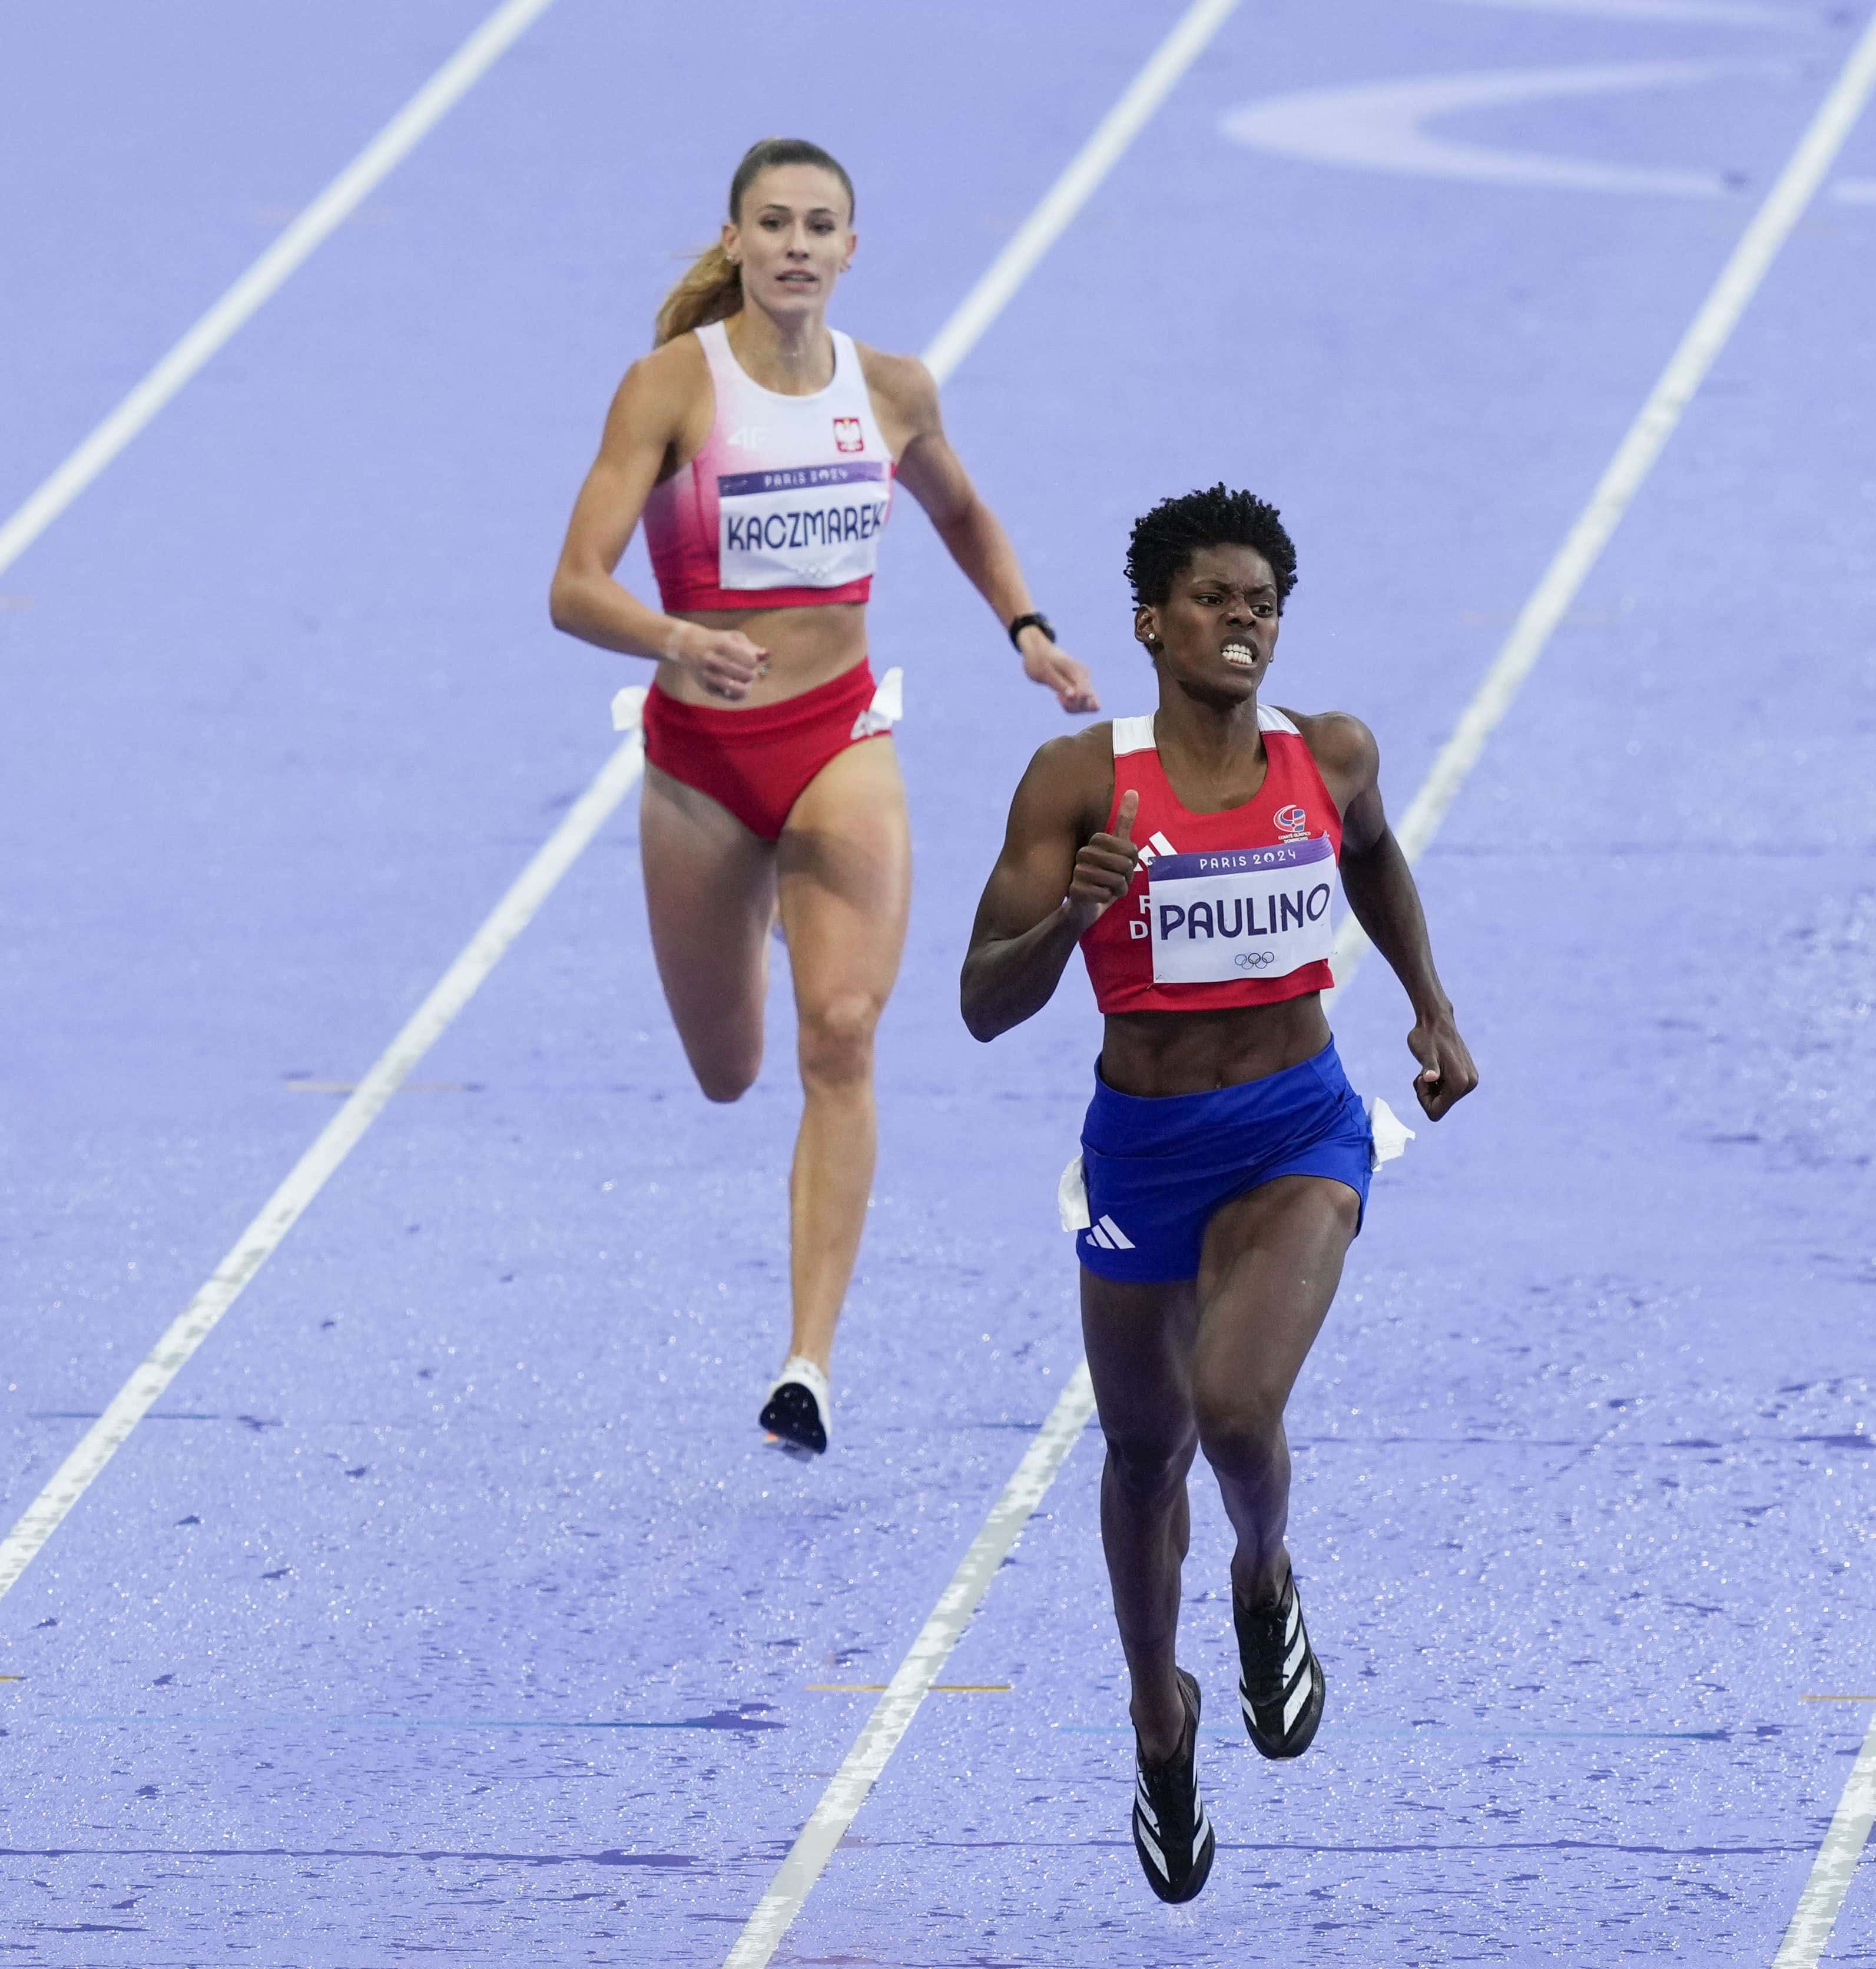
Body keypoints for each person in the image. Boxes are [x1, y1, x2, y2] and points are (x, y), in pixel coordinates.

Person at [959, 484, 1476, 1902]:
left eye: (1262, 602)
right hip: (1142, 1152)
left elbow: (1373, 859)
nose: (1242, 619)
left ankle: (1261, 1580)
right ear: (1150, 624)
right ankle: (1159, 1717)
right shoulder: (1078, 783)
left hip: (1297, 1134)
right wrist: (1074, 912)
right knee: (1142, 1458)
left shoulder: (1336, 754)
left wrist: (1431, 1007)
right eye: (1214, 599)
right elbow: (979, 1006)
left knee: (1238, 1406)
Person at [549, 137, 1099, 1453]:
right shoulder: (672, 388)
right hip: (699, 763)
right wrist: (680, 641)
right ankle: (763, 901)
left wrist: (1026, 626)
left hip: (841, 742)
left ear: (853, 250)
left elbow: (963, 515)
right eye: (774, 224)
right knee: (732, 1071)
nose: (798, 245)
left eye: (821, 226)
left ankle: (808, 1364)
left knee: (841, 1034)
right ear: (735, 242)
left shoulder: (893, 390)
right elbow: (575, 585)